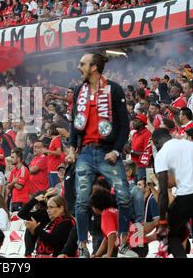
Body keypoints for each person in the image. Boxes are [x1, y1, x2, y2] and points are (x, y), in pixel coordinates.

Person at [66, 52, 137, 258]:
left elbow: (124, 125)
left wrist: (116, 150)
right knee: (81, 201)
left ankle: (123, 244)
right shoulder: (79, 89)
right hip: (86, 153)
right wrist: (72, 148)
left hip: (108, 153)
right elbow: (74, 122)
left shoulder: (113, 89)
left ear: (94, 67)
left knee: (124, 197)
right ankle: (81, 246)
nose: (79, 67)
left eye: (82, 64)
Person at [152, 128, 193, 258]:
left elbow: (163, 191)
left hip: (188, 193)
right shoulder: (191, 144)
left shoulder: (162, 154)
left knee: (171, 233)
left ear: (155, 142)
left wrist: (162, 222)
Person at [90, 187, 146, 257]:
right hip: (141, 244)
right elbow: (106, 239)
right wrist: (97, 254)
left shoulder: (106, 214)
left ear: (95, 205)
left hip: (133, 246)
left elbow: (112, 234)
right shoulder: (113, 211)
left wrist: (108, 254)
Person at [17, 190, 51, 257]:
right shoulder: (45, 213)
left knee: (29, 228)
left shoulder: (42, 214)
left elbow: (21, 213)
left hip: (37, 249)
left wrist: (34, 200)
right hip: (43, 248)